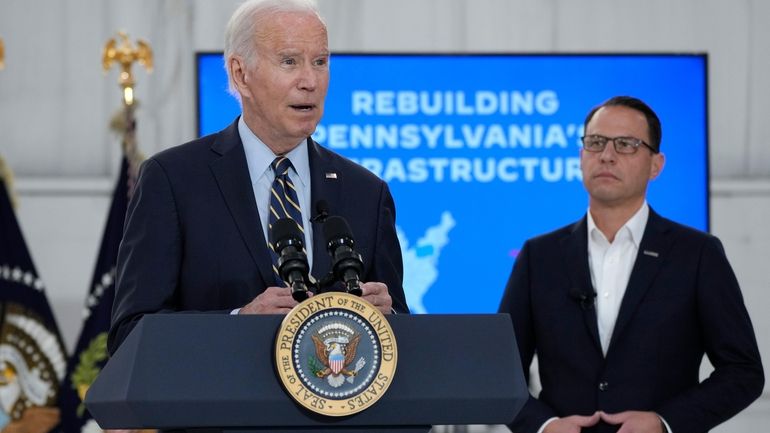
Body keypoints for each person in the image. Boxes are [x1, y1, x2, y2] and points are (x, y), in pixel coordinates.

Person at [108, 0, 408, 355]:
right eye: (289, 61)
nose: (310, 81)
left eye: (320, 62)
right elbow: (130, 334)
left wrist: (389, 319)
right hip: (218, 406)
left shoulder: (366, 192)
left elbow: (402, 345)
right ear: (240, 74)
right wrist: (238, 321)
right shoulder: (172, 181)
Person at [499, 96, 763, 433]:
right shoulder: (539, 256)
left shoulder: (697, 254)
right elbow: (501, 373)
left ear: (656, 164)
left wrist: (665, 422)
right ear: (581, 157)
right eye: (595, 143)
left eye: (626, 144)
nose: (607, 155)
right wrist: (545, 425)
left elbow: (743, 370)